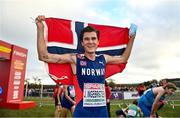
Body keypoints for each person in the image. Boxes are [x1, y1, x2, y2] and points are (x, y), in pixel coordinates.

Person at [35, 15, 136, 117]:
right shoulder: (75, 59)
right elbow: (44, 56)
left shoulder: (103, 58)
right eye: (86, 39)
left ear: (98, 42)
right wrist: (40, 28)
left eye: (93, 39)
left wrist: (132, 38)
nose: (90, 42)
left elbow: (123, 59)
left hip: (102, 113)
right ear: (82, 43)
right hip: (82, 113)